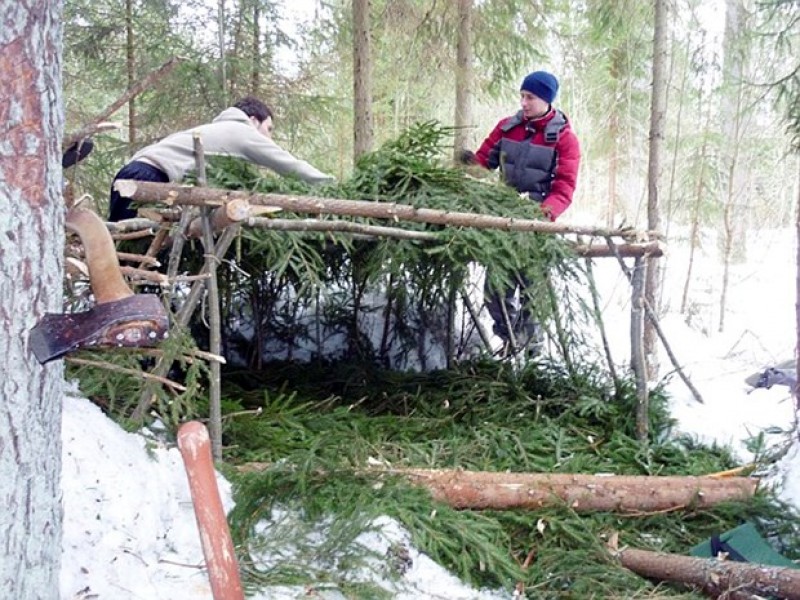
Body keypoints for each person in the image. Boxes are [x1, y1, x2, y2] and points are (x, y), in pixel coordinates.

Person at [460, 70, 581, 354]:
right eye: (522, 96)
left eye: (530, 97)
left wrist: (543, 215)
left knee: (533, 294)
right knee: (495, 291)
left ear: (546, 100)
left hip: (537, 225)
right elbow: (484, 163)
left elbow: (564, 187)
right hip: (503, 221)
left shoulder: (564, 140)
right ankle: (510, 340)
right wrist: (468, 165)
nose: (524, 103)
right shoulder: (507, 127)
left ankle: (531, 350)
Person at [108, 96, 334, 221]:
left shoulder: (217, 131)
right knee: (127, 251)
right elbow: (287, 164)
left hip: (134, 173)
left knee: (123, 250)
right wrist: (330, 184)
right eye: (269, 128)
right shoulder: (241, 132)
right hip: (146, 178)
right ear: (254, 120)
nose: (269, 136)